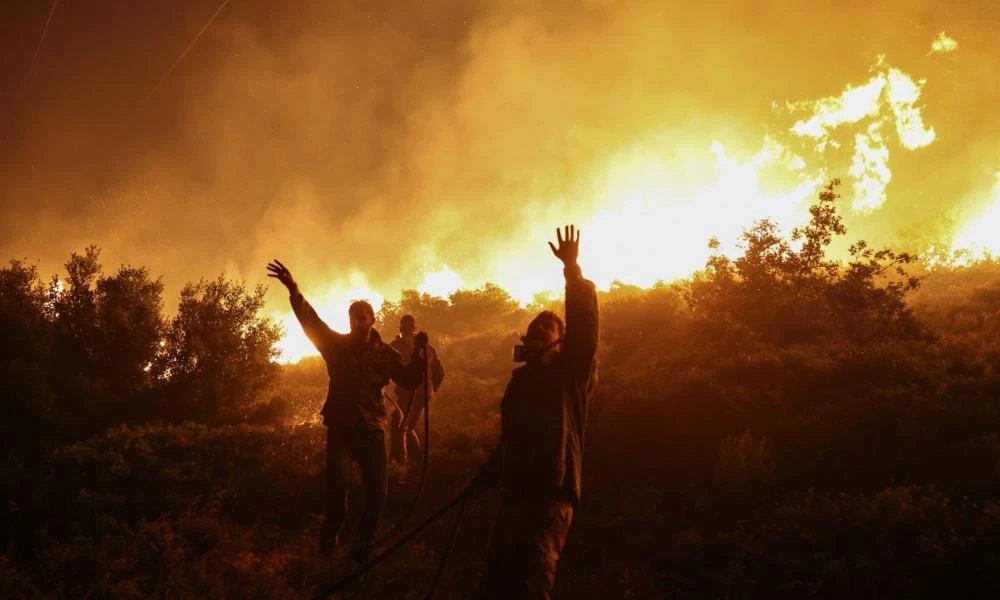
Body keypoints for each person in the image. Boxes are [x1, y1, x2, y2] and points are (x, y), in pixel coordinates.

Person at [266, 260, 427, 562]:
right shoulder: (336, 347)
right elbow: (310, 322)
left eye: (362, 317)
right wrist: (293, 289)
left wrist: (419, 353)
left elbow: (410, 380)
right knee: (337, 488)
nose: (357, 322)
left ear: (373, 320)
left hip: (372, 430)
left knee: (378, 494)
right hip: (342, 427)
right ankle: (333, 528)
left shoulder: (386, 355)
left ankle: (362, 545)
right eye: (353, 317)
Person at [471, 225, 599, 599]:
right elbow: (510, 441)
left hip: (550, 497)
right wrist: (485, 477)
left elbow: (586, 330)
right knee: (497, 577)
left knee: (531, 578)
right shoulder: (520, 384)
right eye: (534, 327)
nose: (540, 329)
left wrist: (572, 272)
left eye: (549, 326)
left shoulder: (570, 372)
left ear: (561, 341)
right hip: (515, 498)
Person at [389, 315, 445, 470]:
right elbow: (440, 371)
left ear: (401, 327)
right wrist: (431, 390)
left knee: (400, 427)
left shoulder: (397, 345)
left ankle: (401, 464)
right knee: (407, 427)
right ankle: (416, 460)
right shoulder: (426, 347)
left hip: (409, 393)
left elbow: (384, 364)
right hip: (422, 394)